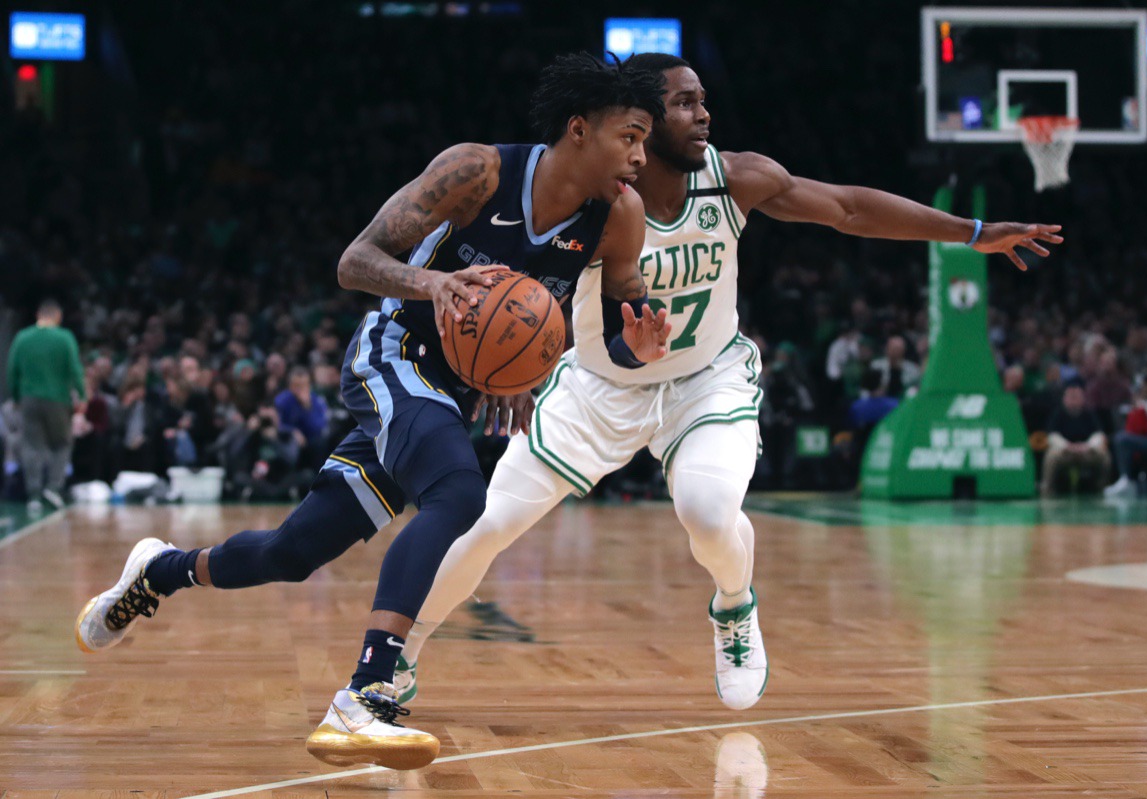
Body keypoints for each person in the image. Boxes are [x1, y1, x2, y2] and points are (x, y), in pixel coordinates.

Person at [394, 53, 1063, 712]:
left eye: (702, 98)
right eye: (683, 102)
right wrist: (512, 369)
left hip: (705, 381)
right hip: (598, 385)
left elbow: (847, 209)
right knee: (487, 523)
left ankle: (734, 607)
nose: (703, 113)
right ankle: (397, 656)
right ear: (640, 123)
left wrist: (968, 232)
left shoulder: (735, 178)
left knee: (709, 515)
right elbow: (521, 288)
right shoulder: (598, 204)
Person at [75, 53, 670, 771]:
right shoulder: (477, 172)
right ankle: (365, 696)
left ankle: (160, 570)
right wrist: (434, 283)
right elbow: (354, 261)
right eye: (630, 136)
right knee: (459, 494)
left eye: (644, 141)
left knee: (293, 553)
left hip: (449, 396)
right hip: (392, 354)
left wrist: (634, 348)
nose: (641, 156)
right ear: (579, 129)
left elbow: (616, 328)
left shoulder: (618, 219)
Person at [6, 299, 86, 512]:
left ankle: (33, 495)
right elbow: (75, 369)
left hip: (28, 399)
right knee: (62, 443)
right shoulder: (64, 337)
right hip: (58, 399)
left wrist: (16, 397)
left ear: (38, 315)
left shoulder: (23, 337)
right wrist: (83, 395)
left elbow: (12, 369)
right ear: (57, 316)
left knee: (31, 446)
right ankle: (53, 487)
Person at [1042, 379, 1110, 495]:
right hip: (1065, 452)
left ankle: (1102, 488)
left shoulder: (1089, 413)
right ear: (1064, 398)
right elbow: (1051, 435)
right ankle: (1047, 489)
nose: (1073, 400)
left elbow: (1099, 434)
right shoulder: (1058, 413)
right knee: (1051, 456)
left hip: (1086, 452)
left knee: (1104, 456)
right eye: (1071, 397)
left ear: (1083, 398)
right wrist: (1067, 446)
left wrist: (1087, 446)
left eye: (1076, 397)